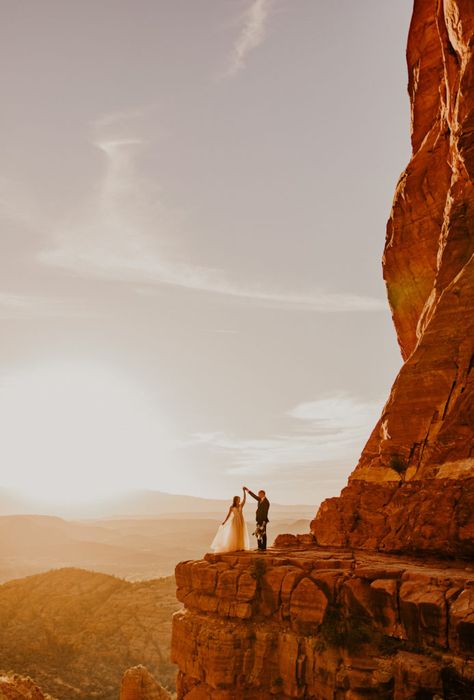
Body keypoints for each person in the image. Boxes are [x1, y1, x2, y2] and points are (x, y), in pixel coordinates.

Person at [210, 488, 250, 553]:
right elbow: (228, 515)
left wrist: (244, 491)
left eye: (239, 499)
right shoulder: (231, 507)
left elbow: (244, 499)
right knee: (235, 533)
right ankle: (236, 547)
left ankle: (241, 547)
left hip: (241, 520)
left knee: (241, 532)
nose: (239, 500)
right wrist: (225, 521)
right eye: (238, 499)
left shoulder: (241, 505)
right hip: (235, 521)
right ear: (235, 500)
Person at [244, 486, 270, 551]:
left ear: (263, 494)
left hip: (263, 520)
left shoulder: (266, 502)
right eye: (258, 494)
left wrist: (264, 521)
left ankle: (263, 547)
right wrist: (247, 490)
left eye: (259, 494)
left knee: (263, 533)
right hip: (258, 519)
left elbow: (265, 512)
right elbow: (254, 496)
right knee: (258, 533)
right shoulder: (260, 499)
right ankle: (259, 547)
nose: (258, 495)